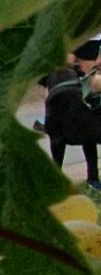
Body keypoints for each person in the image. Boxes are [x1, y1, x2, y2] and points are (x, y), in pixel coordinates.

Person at [43, 38, 101, 193]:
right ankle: (93, 179)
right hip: (81, 114)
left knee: (58, 139)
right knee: (88, 137)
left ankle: (57, 180)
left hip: (60, 112)